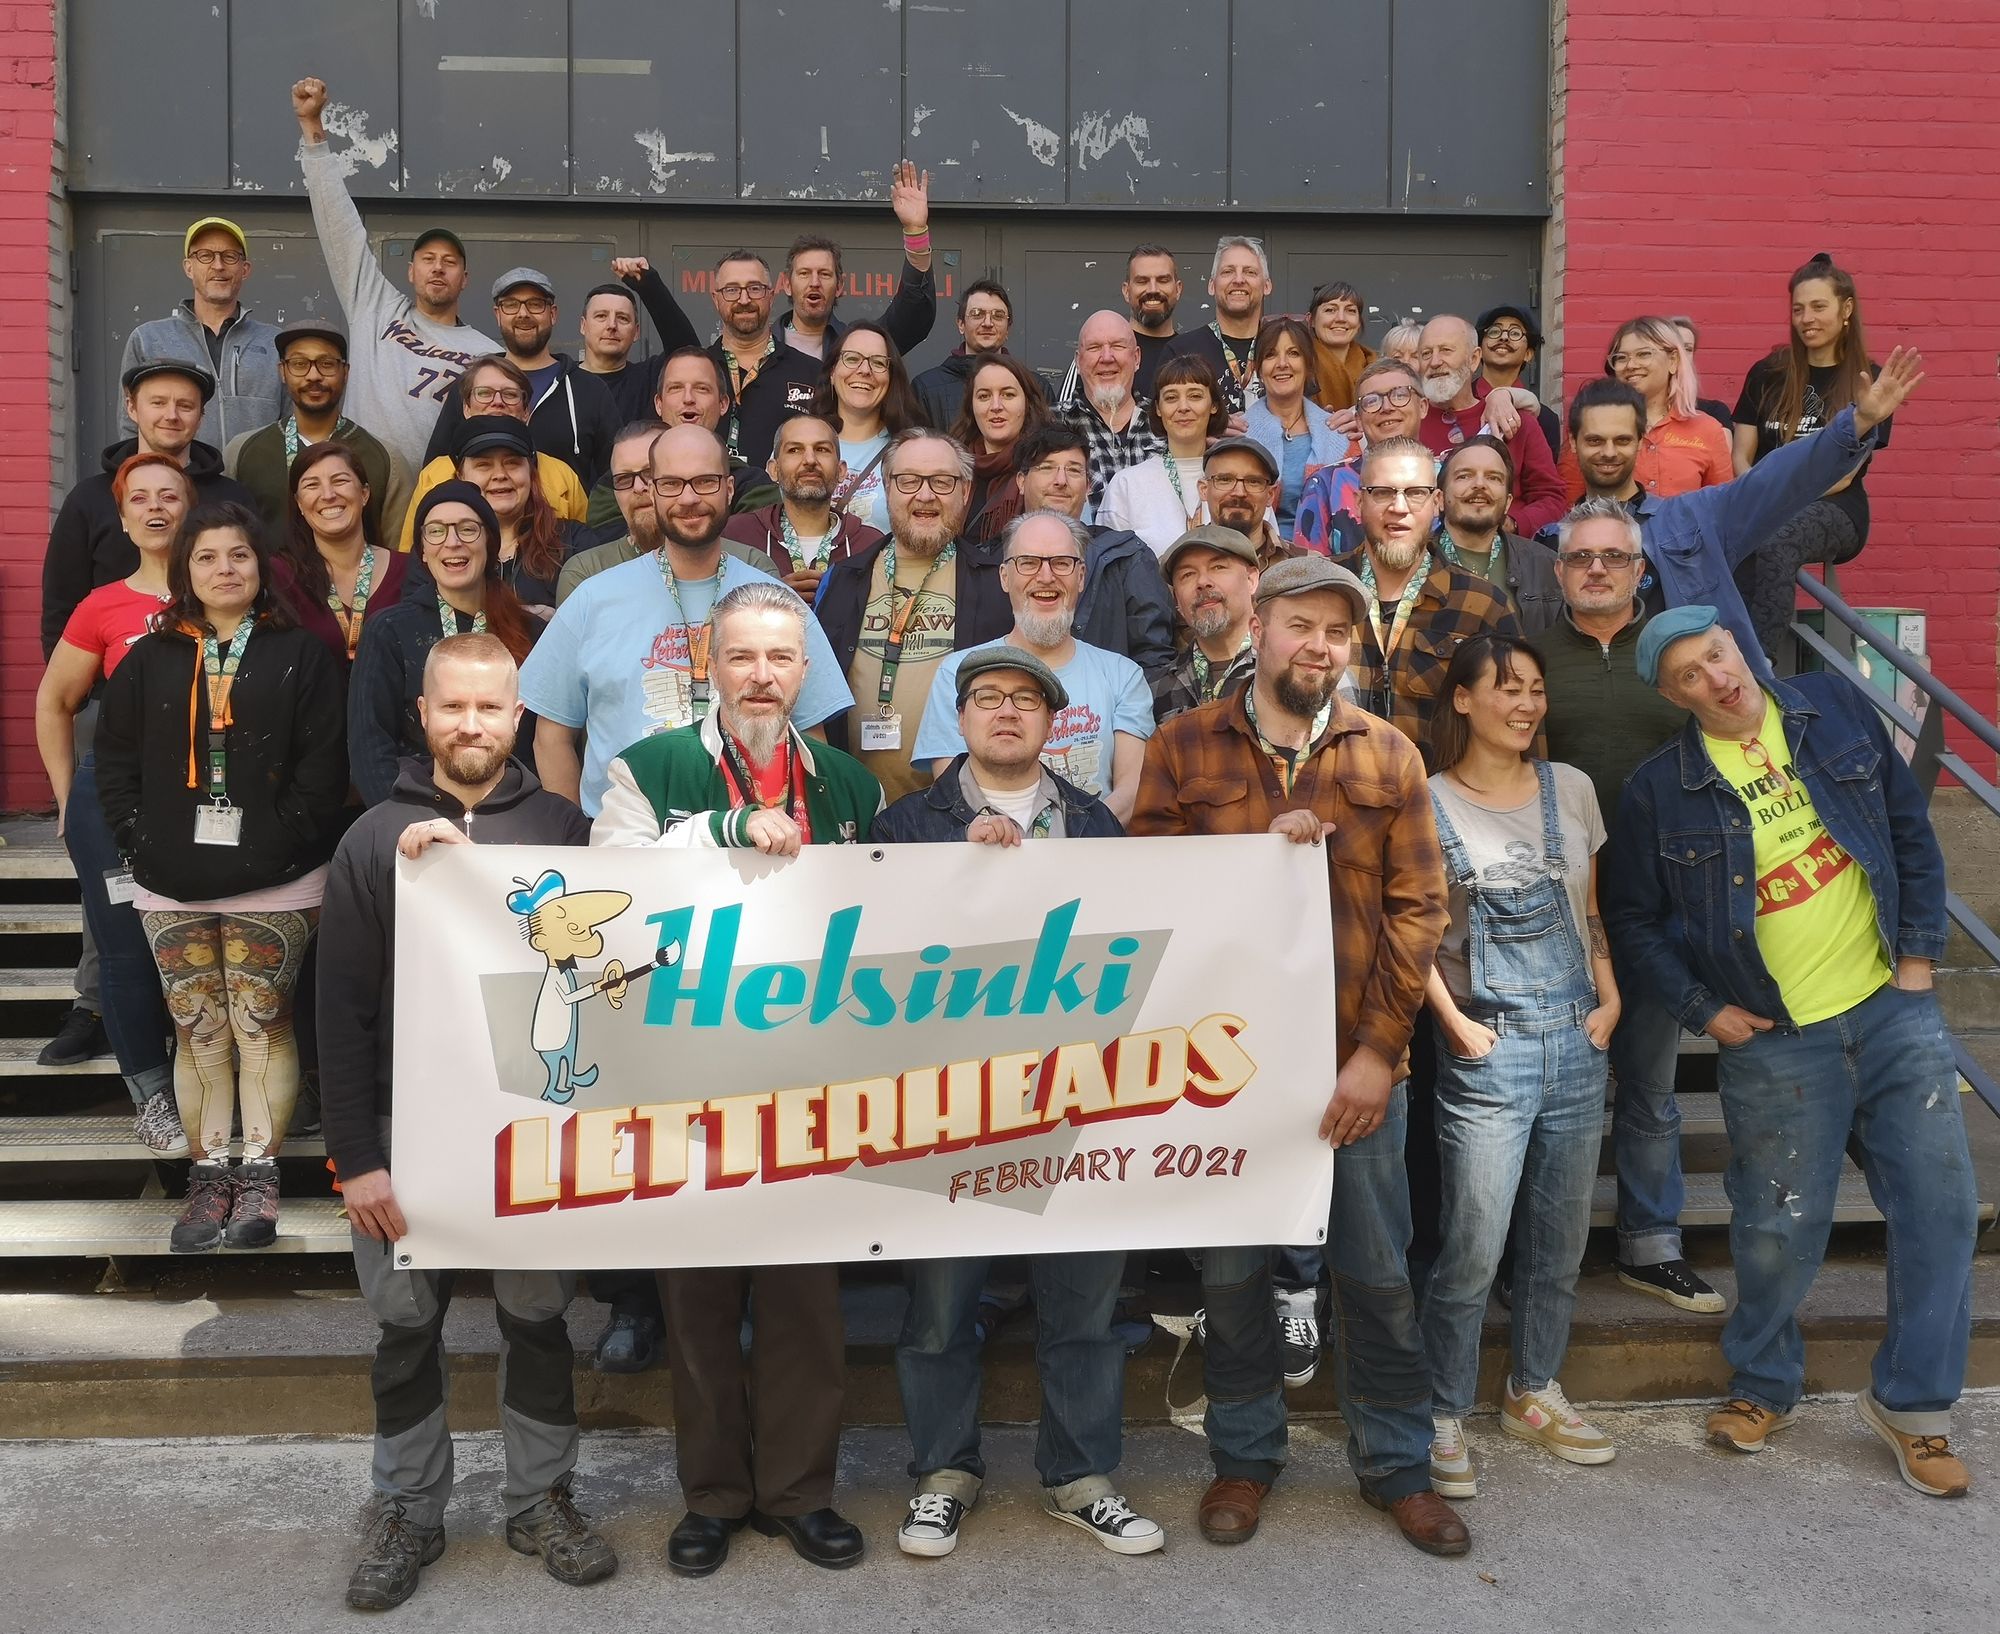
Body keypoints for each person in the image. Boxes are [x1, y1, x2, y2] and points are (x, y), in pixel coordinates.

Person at [1128, 556, 1463, 1559]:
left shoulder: (1387, 753)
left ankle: (1397, 1463)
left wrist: (1376, 1054)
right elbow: (1141, 901)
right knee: (1230, 1276)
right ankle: (1243, 1454)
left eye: (1334, 631)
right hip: (1225, 1077)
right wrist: (1243, 861)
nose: (1315, 645)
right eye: (1298, 624)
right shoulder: (1184, 746)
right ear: (1256, 625)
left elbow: (1419, 912)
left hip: (1352, 1073)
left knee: (1375, 1275)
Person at [1604, 607, 1978, 1500]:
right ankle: (1764, 1384)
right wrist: (1706, 1011)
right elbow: (1634, 919)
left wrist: (1919, 962)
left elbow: (1909, 831)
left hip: (1892, 1011)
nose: (1716, 679)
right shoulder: (1662, 789)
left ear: (1742, 645)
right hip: (1777, 1041)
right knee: (1776, 1227)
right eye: (1690, 675)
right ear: (1671, 696)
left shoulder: (1830, 709)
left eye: (1718, 655)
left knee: (1941, 1208)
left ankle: (1916, 1410)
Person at [319, 632, 618, 1609]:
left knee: (536, 1317)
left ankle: (540, 1497)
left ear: (519, 713)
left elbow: (606, 979)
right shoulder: (371, 839)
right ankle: (408, 1505)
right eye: (453, 706)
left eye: (491, 706)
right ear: (424, 713)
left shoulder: (565, 831)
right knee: (406, 1327)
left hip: (531, 1129)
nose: (472, 724)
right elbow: (340, 1011)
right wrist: (357, 1159)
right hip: (405, 1137)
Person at [591, 581, 881, 1574]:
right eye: (741, 656)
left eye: (778, 658)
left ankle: (800, 1493)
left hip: (807, 1073)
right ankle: (711, 1495)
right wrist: (718, 829)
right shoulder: (649, 766)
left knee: (806, 1300)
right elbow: (609, 895)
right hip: (685, 1072)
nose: (760, 674)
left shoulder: (847, 781)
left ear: (805, 673)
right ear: (708, 668)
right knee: (700, 1297)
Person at [871, 646, 1155, 1556]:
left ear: (1053, 723)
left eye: (1025, 701)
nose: (1005, 712)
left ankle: (1080, 1475)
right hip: (948, 1101)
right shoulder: (911, 822)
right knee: (943, 1304)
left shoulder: (1096, 825)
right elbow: (874, 962)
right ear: (959, 717)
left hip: (1075, 1096)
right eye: (987, 697)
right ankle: (942, 1473)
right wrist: (961, 868)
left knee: (1082, 1301)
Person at [94, 501, 347, 1253]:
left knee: (261, 1024)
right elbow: (113, 764)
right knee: (199, 1029)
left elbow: (322, 765)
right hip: (170, 878)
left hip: (280, 877)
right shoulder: (150, 657)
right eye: (206, 558)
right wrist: (142, 843)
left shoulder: (301, 654)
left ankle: (260, 1176)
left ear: (260, 567)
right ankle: (208, 1180)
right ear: (186, 572)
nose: (224, 570)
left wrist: (287, 839)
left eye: (238, 555)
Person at [1418, 635, 1622, 1501]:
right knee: (1471, 1244)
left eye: (1536, 689)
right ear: (1462, 700)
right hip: (1487, 1045)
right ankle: (1437, 1411)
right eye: (1507, 689)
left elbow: (1591, 908)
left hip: (1580, 1035)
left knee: (1558, 1241)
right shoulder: (1425, 801)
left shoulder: (1570, 788)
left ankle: (1532, 1390)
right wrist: (1456, 1025)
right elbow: (1412, 930)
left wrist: (1610, 1002)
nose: (1527, 704)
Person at [1528, 498, 1724, 1313]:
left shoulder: (1676, 657)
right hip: (1552, 907)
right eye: (1580, 559)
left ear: (1641, 570)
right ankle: (1532, 1252)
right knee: (1543, 1094)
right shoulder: (1531, 657)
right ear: (1560, 571)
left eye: (1613, 557)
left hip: (1661, 906)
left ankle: (1651, 1244)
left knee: (1647, 1084)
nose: (1597, 569)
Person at [521, 425, 853, 815]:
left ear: (729, 489)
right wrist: (576, 837)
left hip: (754, 843)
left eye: (705, 482)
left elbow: (811, 736)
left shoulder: (778, 603)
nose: (689, 498)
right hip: (627, 846)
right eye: (672, 484)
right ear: (653, 491)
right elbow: (551, 736)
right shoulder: (592, 599)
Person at [1552, 351, 1922, 679]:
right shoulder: (1551, 542)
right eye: (1595, 440)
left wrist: (1857, 423)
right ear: (1573, 443)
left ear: (1642, 440)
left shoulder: (1695, 519)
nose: (1609, 452)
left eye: (1622, 440)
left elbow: (1778, 479)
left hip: (1699, 709)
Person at [35, 455, 185, 1150]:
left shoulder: (224, 591)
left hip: (197, 804)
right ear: (122, 518)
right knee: (125, 951)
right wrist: (69, 798)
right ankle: (154, 1099)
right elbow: (55, 702)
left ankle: (206, 1088)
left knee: (194, 950)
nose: (155, 509)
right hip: (114, 802)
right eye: (140, 500)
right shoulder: (103, 605)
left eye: (170, 496)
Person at [292, 77, 500, 470]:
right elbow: (341, 228)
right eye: (428, 258)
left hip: (429, 496)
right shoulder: (375, 307)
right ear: (410, 272)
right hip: (354, 480)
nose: (438, 267)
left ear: (465, 279)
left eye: (450, 261)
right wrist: (313, 131)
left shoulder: (485, 353)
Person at [913, 511, 1153, 823]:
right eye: (1028, 562)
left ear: (1081, 576)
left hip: (1091, 857)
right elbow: (953, 794)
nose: (1046, 576)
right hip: (991, 856)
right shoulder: (958, 672)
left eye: (1061, 562)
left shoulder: (1124, 676)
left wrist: (1065, 840)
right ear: (1004, 576)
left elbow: (1131, 791)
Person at [814, 430, 1009, 795]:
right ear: (887, 488)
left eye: (942, 481)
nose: (925, 494)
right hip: (855, 807)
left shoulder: (997, 586)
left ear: (966, 492)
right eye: (908, 481)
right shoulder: (842, 580)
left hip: (958, 811)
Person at [1730, 253, 1894, 659]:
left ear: (1846, 310)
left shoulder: (1868, 382)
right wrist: (1758, 496)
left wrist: (1773, 503)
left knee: (1774, 539)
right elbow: (1740, 455)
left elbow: (1843, 476)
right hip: (1762, 498)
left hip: (1836, 508)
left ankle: (1757, 663)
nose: (1806, 318)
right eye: (1798, 309)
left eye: (1819, 306)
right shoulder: (1767, 373)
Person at [43, 358, 256, 656]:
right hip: (112, 681)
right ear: (132, 408)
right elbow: (60, 604)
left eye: (185, 405)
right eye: (157, 402)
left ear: (201, 415)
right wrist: (85, 691)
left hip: (218, 677)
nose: (171, 415)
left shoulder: (233, 498)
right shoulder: (89, 498)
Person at [1332, 436, 1522, 767]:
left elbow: (1517, 720)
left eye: (1415, 493)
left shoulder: (1483, 604)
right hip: (1336, 806)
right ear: (1359, 501)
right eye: (1383, 492)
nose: (1399, 507)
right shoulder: (1321, 590)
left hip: (1443, 808)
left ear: (1437, 502)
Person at [349, 482, 541, 804]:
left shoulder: (531, 631)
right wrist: (399, 823)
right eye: (436, 531)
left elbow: (542, 741)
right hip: (416, 811)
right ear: (422, 550)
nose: (452, 543)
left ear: (490, 544)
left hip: (512, 811)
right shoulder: (389, 630)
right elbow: (370, 744)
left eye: (467, 530)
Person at [419, 270, 620, 489]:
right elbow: (437, 471)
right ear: (498, 314)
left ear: (553, 314)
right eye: (511, 304)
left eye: (535, 304)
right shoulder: (470, 385)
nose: (523, 313)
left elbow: (615, 476)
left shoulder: (589, 390)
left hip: (565, 519)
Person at [225, 316, 411, 549]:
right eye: (299, 364)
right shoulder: (242, 452)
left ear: (345, 372)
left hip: (360, 585)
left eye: (326, 363)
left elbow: (398, 555)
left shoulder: (386, 459)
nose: (313, 376)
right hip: (271, 585)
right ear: (282, 371)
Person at [1011, 424, 1178, 680]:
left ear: (1088, 486)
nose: (1060, 480)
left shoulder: (1127, 557)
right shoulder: (990, 559)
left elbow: (1153, 659)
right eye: (1047, 468)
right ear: (1021, 481)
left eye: (1074, 470)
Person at [119, 216, 281, 449]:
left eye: (230, 256)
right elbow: (129, 429)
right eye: (205, 256)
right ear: (188, 267)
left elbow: (291, 428)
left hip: (255, 485)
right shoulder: (148, 339)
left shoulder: (275, 343)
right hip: (178, 481)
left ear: (244, 269)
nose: (218, 265)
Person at [398, 357, 591, 550]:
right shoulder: (434, 475)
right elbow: (411, 554)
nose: (497, 402)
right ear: (466, 407)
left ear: (526, 411)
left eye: (510, 394)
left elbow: (586, 552)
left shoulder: (563, 476)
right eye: (484, 393)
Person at [1414, 316, 1566, 538]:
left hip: (1503, 557)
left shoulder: (1513, 419)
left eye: (1446, 350)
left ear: (1474, 359)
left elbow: (1553, 498)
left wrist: (1513, 524)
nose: (1435, 362)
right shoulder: (1406, 421)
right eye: (1426, 354)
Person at [431, 416, 594, 617]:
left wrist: (558, 624)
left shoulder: (576, 543)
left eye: (512, 463)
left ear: (531, 473)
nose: (500, 474)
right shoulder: (437, 548)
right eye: (483, 465)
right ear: (461, 476)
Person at [1559, 317, 1731, 502]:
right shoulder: (1593, 423)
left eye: (1643, 354)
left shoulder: (1707, 430)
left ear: (1673, 360)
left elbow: (1722, 507)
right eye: (1621, 358)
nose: (1631, 365)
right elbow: (1570, 502)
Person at [776, 165, 937, 360]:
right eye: (804, 273)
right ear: (786, 284)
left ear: (840, 286)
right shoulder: (761, 346)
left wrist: (915, 230)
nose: (815, 282)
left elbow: (912, 317)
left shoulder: (858, 343)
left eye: (825, 274)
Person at [723, 412, 886, 600]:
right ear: (773, 470)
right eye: (794, 450)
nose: (809, 460)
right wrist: (771, 597)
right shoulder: (737, 535)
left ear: (841, 471)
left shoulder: (870, 543)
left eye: (822, 449)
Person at [276, 440, 409, 667]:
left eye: (340, 481)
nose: (328, 495)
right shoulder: (279, 576)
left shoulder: (409, 571)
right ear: (298, 503)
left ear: (364, 493)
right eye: (311, 485)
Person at [1096, 354, 1230, 554]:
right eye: (1171, 398)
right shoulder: (1127, 485)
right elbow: (1109, 570)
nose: (1183, 407)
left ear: (1214, 405)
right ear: (1158, 409)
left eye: (1195, 396)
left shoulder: (1240, 479)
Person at [1292, 358, 1425, 559]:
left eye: (1400, 395)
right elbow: (1308, 573)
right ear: (1358, 421)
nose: (1386, 407)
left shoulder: (1450, 476)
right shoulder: (1324, 485)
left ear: (1423, 407)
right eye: (1371, 401)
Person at [704, 249, 825, 468]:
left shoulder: (812, 372)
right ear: (716, 299)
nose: (744, 299)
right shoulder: (697, 371)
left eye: (755, 289)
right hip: (703, 498)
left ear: (771, 295)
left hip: (782, 501)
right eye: (731, 290)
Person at [1434, 437, 1561, 636]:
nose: (1479, 484)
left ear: (1508, 502)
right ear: (1439, 498)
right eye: (1464, 476)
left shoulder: (1547, 567)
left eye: (1493, 478)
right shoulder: (1413, 563)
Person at [807, 319, 924, 535]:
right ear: (832, 372)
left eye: (878, 363)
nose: (864, 370)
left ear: (891, 377)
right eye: (852, 359)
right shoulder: (800, 442)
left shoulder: (912, 452)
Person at [1244, 318, 1350, 544]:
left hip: (1328, 561)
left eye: (1293, 353)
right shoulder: (1238, 434)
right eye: (1271, 355)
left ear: (1309, 364)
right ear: (1258, 369)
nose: (1282, 363)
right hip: (1254, 558)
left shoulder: (1339, 433)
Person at [1149, 523, 1259, 721]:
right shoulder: (1155, 690)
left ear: (1251, 580)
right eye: (1187, 574)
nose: (1202, 582)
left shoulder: (1286, 669)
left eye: (1218, 567)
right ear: (1177, 601)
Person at [1056, 311, 1165, 509]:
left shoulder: (1167, 422)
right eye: (1094, 347)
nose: (1107, 357)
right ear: (1079, 362)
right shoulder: (1052, 423)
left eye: (1118, 346)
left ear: (1137, 358)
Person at [1162, 236, 1270, 413]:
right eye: (1228, 271)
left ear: (1267, 286)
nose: (1239, 279)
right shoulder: (1180, 351)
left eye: (1250, 272)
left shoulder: (1286, 350)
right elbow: (1162, 423)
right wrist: (1211, 429)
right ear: (1211, 285)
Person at [949, 355, 1051, 542]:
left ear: (1027, 403)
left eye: (1008, 394)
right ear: (971, 406)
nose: (996, 406)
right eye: (984, 396)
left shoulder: (1048, 469)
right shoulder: (950, 468)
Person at [912, 278, 1014, 429]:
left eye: (998, 315)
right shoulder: (926, 388)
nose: (987, 323)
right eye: (977, 314)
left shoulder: (1035, 387)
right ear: (961, 324)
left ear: (1008, 328)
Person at [1473, 304, 1561, 452]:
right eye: (1494, 331)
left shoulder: (1545, 418)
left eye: (1515, 333)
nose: (1504, 337)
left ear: (1529, 354)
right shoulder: (1462, 400)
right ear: (1479, 349)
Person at [1199, 436, 1296, 567]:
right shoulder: (1176, 564)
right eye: (1225, 479)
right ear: (1203, 490)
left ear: (1270, 494)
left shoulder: (1307, 567)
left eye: (1253, 482)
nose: (1239, 493)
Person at [575, 281, 656, 421]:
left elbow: (684, 345)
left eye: (622, 318)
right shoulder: (560, 380)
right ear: (583, 325)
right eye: (601, 316)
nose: (612, 325)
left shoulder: (649, 378)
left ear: (636, 332)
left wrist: (648, 282)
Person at [1123, 244, 1185, 398]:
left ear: (1178, 289)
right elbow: (1066, 415)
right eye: (1142, 281)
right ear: (1126, 291)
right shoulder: (1100, 353)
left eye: (1163, 280)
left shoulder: (1192, 354)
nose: (1153, 290)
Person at [1306, 281, 1377, 415]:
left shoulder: (1377, 368)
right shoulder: (1297, 366)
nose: (1341, 318)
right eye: (1330, 310)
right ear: (1311, 320)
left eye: (1350, 311)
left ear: (1359, 322)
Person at [1665, 316, 1738, 429]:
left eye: (1688, 349)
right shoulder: (1637, 410)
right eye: (1673, 348)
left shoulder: (1715, 412)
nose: (1681, 354)